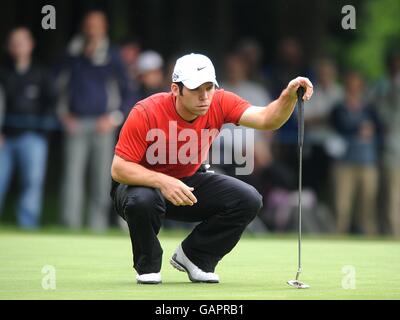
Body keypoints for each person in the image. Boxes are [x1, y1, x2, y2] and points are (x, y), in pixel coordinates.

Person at [110, 53, 313, 284]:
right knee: (143, 200)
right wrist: (162, 181)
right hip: (138, 187)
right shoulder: (146, 111)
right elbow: (119, 168)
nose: (204, 96)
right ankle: (148, 266)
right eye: (197, 89)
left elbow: (268, 119)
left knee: (248, 199)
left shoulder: (220, 101)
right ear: (176, 89)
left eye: (209, 87)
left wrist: (288, 96)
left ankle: (196, 257)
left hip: (189, 183)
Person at [56, 11, 130, 231]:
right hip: (75, 123)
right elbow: (58, 86)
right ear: (83, 28)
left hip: (103, 125)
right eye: (88, 26)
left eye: (96, 26)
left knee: (101, 180)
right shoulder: (71, 53)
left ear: (104, 28)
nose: (92, 30)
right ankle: (70, 226)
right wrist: (63, 115)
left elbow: (127, 91)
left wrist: (114, 118)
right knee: (72, 177)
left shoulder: (114, 55)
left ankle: (97, 229)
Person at [0, 27, 56, 229]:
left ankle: (28, 227)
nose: (18, 46)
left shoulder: (41, 74)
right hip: (3, 138)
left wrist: (41, 132)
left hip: (33, 137)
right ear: (8, 47)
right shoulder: (3, 73)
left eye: (22, 41)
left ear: (31, 45)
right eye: (14, 42)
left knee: (31, 184)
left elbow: (51, 104)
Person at [330, 71, 381, 235]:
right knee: (341, 206)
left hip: (367, 162)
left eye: (356, 84)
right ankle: (339, 237)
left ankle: (369, 240)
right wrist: (359, 129)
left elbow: (378, 128)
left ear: (361, 87)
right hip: (344, 162)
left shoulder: (369, 108)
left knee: (367, 206)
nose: (353, 88)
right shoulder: (338, 108)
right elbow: (340, 126)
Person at [372, 50, 400, 237]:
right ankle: (392, 235)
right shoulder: (382, 88)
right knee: (391, 197)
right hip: (392, 150)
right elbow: (380, 114)